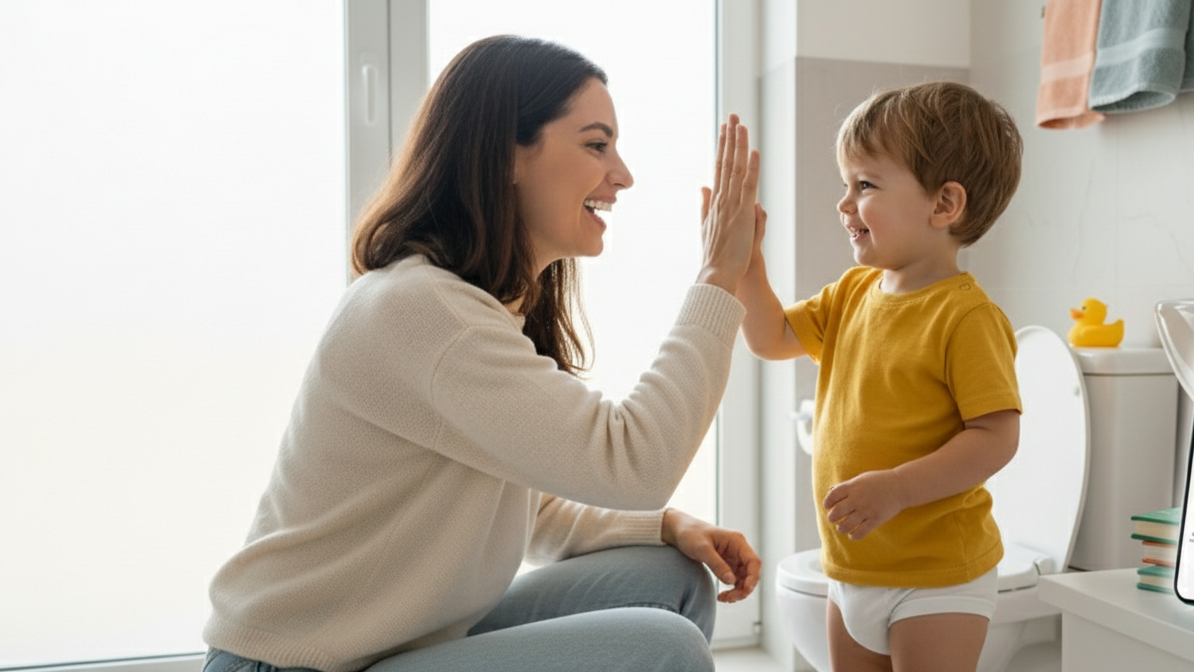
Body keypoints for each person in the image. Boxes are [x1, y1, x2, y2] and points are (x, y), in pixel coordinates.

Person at [202, 35, 764, 672]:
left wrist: (665, 526)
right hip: (301, 665)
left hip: (403, 644)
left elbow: (529, 505)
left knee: (675, 577)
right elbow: (635, 461)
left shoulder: (478, 311)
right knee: (669, 649)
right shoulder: (425, 312)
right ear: (507, 156)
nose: (623, 175)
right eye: (596, 144)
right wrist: (718, 273)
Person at [737, 81, 1025, 672]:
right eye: (846, 185)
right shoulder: (852, 293)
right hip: (851, 565)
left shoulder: (965, 316)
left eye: (864, 185)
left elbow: (997, 436)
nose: (844, 204)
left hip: (938, 578)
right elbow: (770, 338)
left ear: (944, 206)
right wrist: (747, 263)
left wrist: (896, 488)